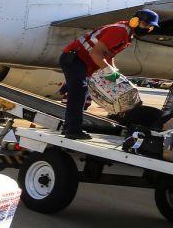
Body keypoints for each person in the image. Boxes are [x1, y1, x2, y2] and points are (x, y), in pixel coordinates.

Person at [59, 9, 160, 139]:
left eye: (150, 27)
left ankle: (68, 127)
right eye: (145, 24)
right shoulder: (119, 31)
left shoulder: (127, 34)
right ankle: (72, 130)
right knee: (79, 91)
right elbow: (95, 53)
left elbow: (108, 54)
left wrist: (115, 72)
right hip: (75, 59)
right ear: (135, 21)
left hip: (83, 62)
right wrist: (108, 71)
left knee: (79, 91)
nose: (147, 29)